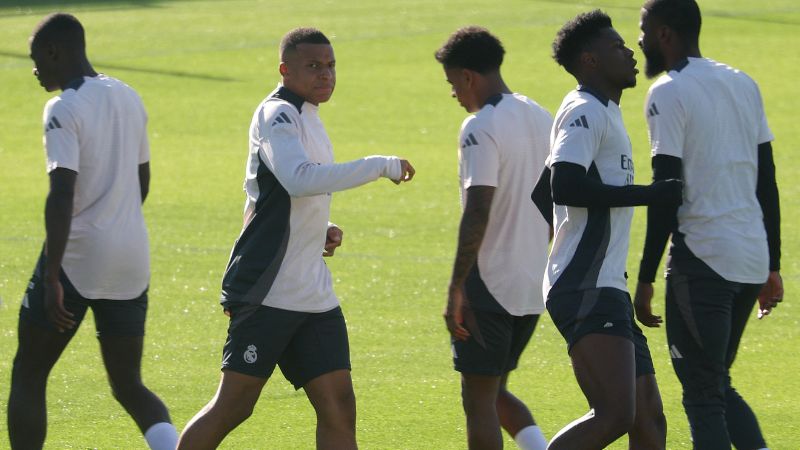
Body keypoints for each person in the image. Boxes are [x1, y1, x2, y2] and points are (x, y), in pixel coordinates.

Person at [176, 27, 415, 450]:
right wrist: (380, 165)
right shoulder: (277, 115)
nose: (326, 75)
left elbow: (275, 194)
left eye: (331, 65)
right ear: (285, 70)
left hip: (313, 291)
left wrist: (320, 228)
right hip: (268, 290)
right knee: (233, 407)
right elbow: (297, 179)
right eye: (313, 66)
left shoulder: (308, 115)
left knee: (339, 406)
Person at [7, 13, 178, 450]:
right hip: (131, 256)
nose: (34, 71)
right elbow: (142, 183)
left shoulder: (64, 107)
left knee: (29, 371)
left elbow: (61, 193)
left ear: (54, 51)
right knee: (128, 385)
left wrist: (51, 278)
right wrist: (115, 219)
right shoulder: (128, 95)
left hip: (78, 256)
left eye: (35, 60)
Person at [634, 1, 783, 448]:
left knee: (702, 397)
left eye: (643, 29)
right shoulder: (742, 82)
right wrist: (772, 264)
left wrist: (644, 278)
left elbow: (667, 191)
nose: (638, 39)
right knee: (716, 385)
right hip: (749, 260)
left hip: (704, 263)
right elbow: (767, 181)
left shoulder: (667, 92)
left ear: (663, 34)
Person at [531, 10, 682, 449]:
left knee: (649, 421)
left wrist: (569, 242)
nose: (630, 52)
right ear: (589, 60)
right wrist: (652, 194)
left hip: (602, 283)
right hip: (586, 286)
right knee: (616, 413)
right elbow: (564, 186)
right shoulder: (584, 109)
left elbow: (543, 191)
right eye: (617, 47)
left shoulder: (605, 112)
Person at [436, 26, 552, 450]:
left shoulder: (479, 127)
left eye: (452, 83)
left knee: (478, 399)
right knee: (495, 390)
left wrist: (456, 288)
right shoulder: (543, 116)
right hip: (534, 282)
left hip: (491, 283)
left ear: (467, 76)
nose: (454, 94)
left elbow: (478, 209)